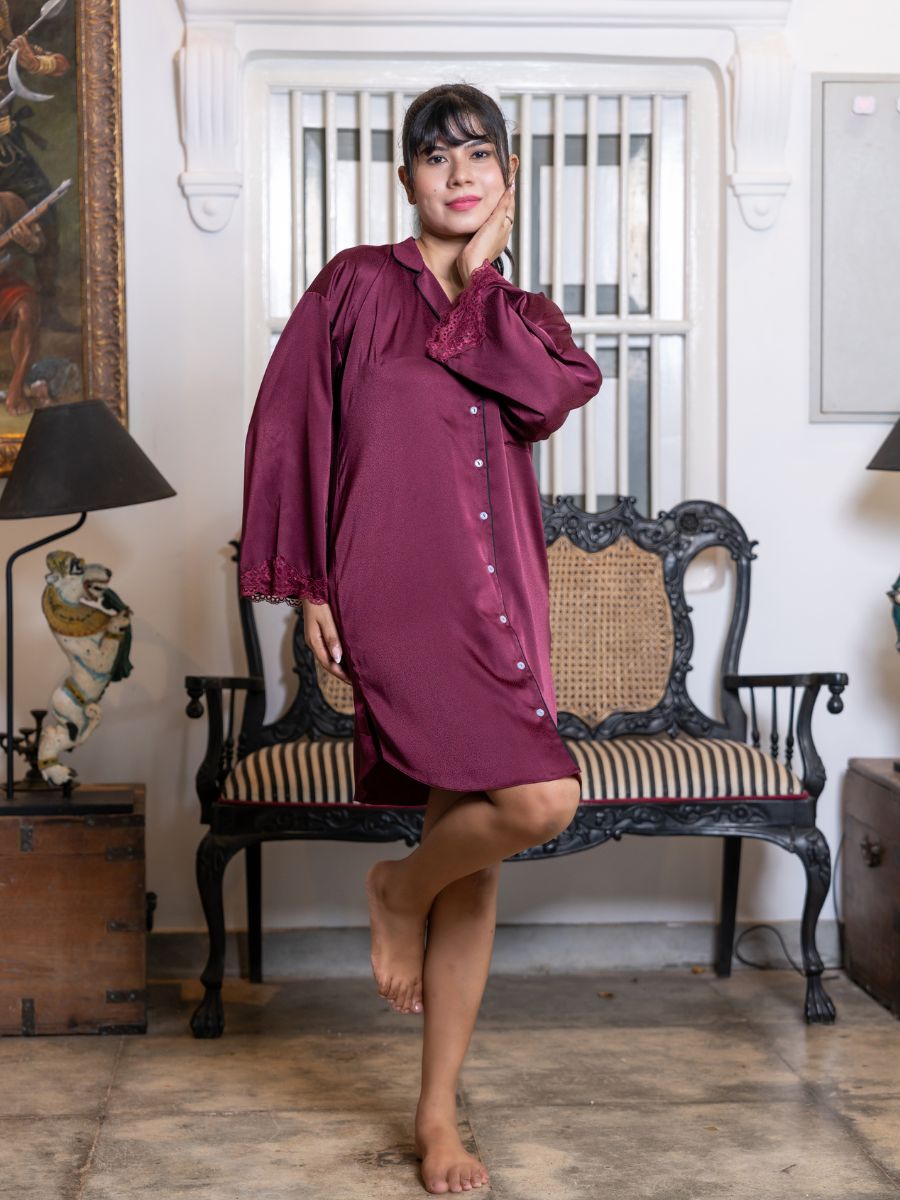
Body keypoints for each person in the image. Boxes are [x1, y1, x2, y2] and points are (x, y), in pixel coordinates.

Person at [239, 82, 603, 1195]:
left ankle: (435, 1114)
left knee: (492, 829)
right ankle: (399, 893)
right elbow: (292, 428)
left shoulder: (522, 312)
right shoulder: (353, 285)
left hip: (501, 600)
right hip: (393, 591)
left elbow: (546, 396)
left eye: (480, 155)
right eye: (435, 156)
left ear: (505, 178)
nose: (458, 171)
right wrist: (306, 588)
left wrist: (483, 273)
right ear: (404, 179)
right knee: (531, 804)